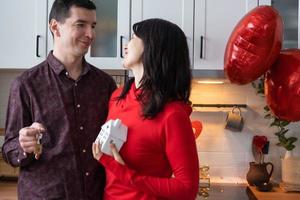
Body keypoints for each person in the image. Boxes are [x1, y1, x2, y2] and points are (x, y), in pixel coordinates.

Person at [2, 0, 116, 199]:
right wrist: (24, 145)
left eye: (93, 26)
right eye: (80, 25)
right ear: (55, 27)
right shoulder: (25, 84)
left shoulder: (105, 85)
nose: (90, 34)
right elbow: (10, 152)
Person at [92, 18, 199, 200]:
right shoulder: (117, 98)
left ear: (152, 47)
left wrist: (125, 174)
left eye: (134, 37)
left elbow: (187, 189)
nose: (126, 44)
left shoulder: (172, 115)